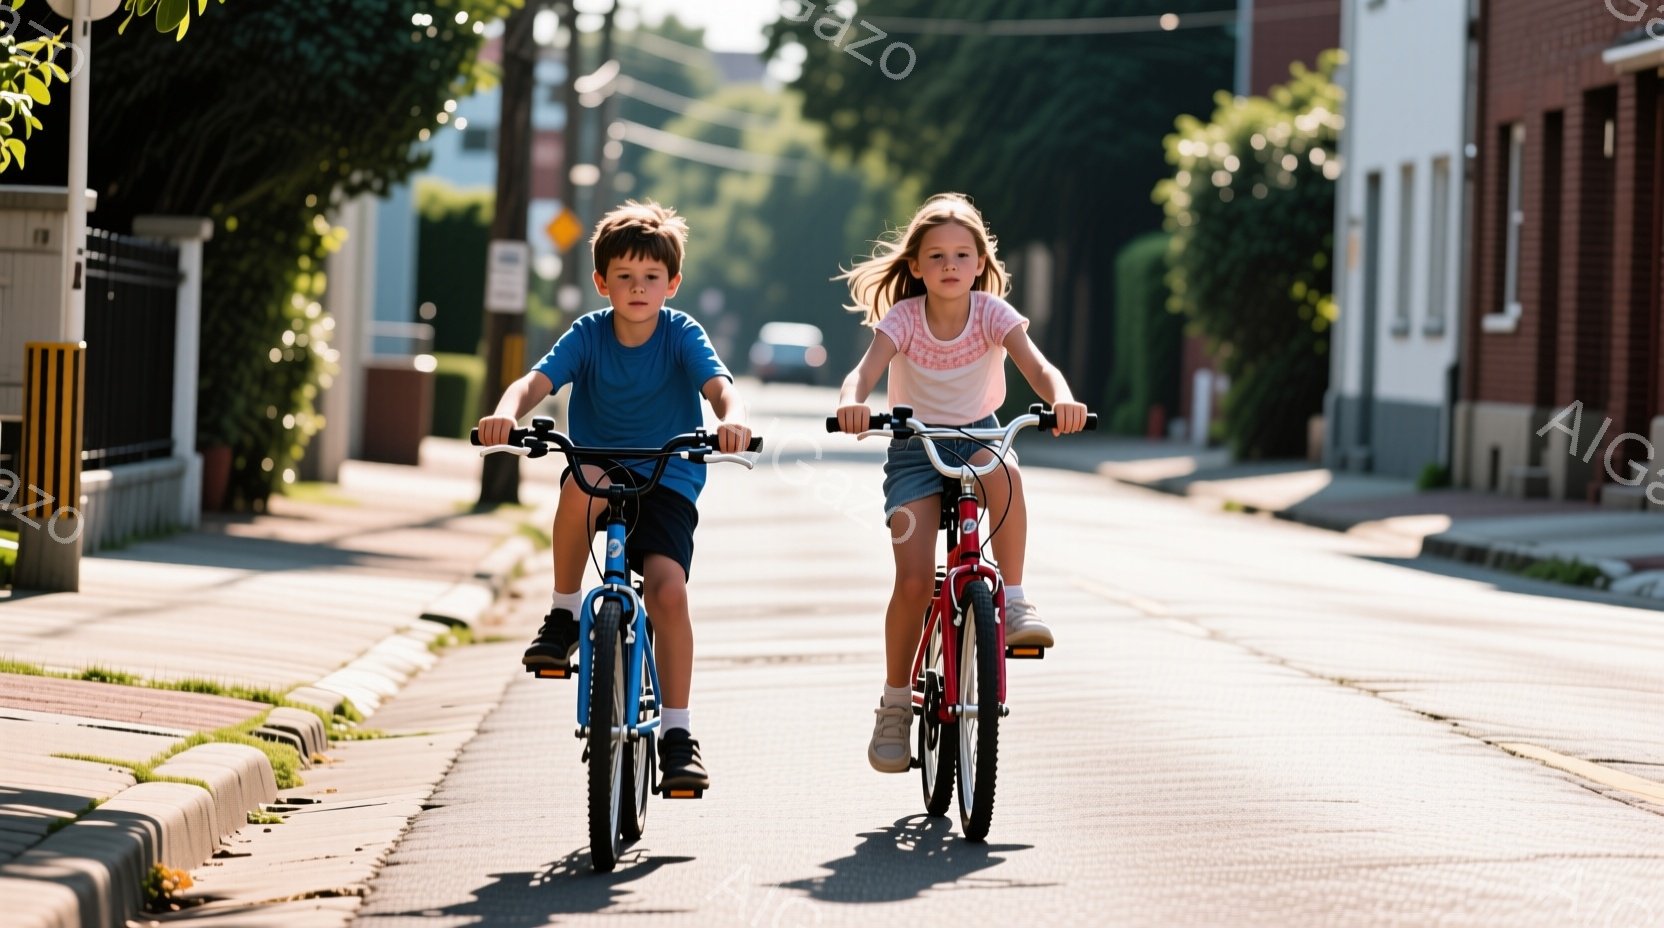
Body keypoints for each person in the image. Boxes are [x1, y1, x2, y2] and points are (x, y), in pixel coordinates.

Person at [477, 199, 752, 790]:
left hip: (668, 474)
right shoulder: (588, 335)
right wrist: (505, 412)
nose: (637, 288)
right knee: (578, 487)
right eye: (623, 277)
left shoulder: (681, 333)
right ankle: (562, 613)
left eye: (651, 277)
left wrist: (734, 418)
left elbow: (720, 386)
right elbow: (535, 382)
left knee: (668, 591)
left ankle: (678, 733)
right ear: (601, 282)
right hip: (599, 466)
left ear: (672, 283)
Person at [831, 193, 1088, 774]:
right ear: (917, 267)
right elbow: (864, 372)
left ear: (980, 263)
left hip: (979, 435)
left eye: (962, 255)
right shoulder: (903, 319)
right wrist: (852, 402)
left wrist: (1062, 398)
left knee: (1007, 469)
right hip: (914, 446)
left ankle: (1016, 602)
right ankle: (896, 704)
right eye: (937, 256)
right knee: (916, 578)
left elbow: (1038, 366)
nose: (950, 265)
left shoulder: (993, 314)